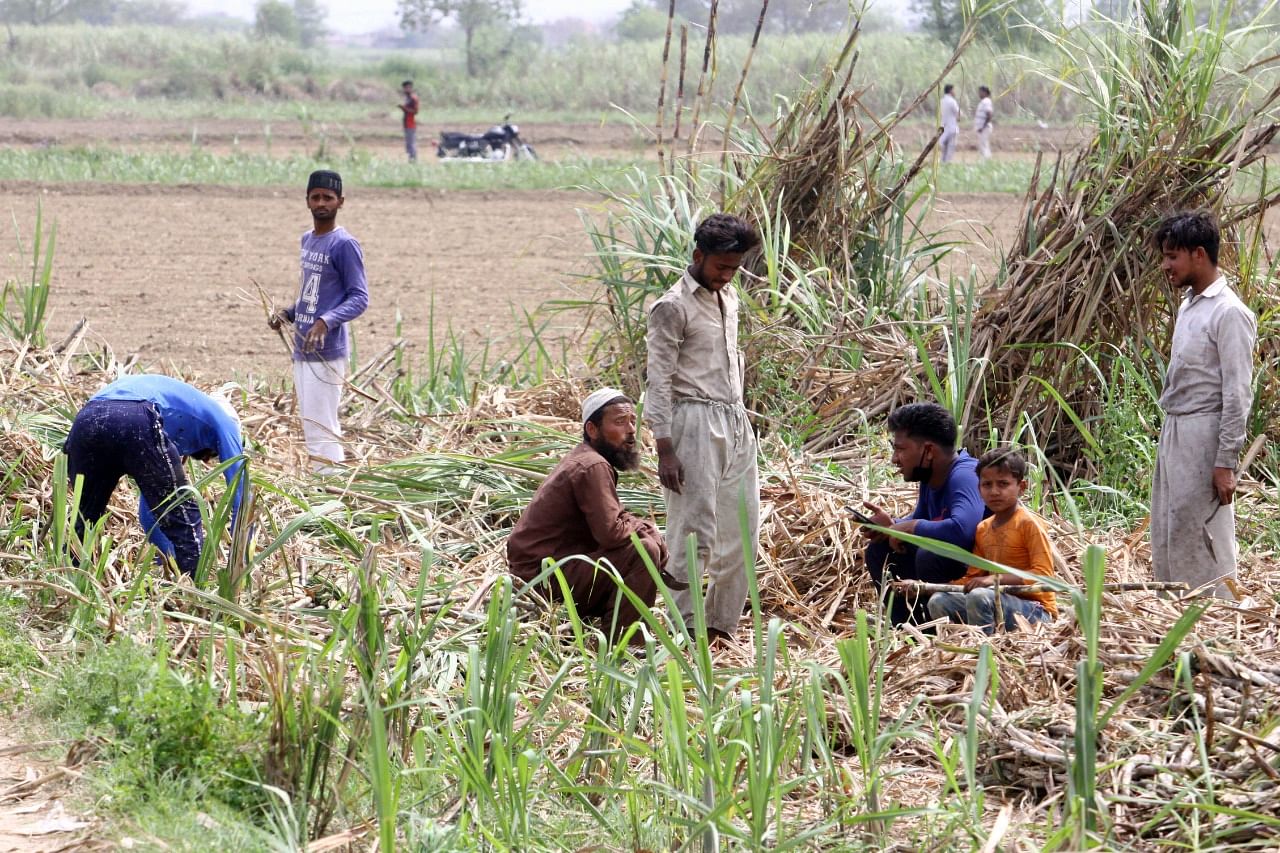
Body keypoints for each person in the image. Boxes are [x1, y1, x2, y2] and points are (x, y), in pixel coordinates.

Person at [646, 213, 761, 645]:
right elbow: (658, 380)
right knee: (693, 532)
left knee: (743, 531)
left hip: (734, 420)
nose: (728, 276)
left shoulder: (728, 299)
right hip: (691, 422)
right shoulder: (671, 307)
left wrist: (741, 420)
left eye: (734, 268)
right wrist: (665, 447)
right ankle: (684, 630)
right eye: (721, 267)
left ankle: (719, 626)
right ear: (698, 256)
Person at [507, 389, 686, 640]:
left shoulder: (588, 459)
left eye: (633, 421)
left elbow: (612, 523)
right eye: (619, 422)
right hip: (542, 579)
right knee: (645, 551)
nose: (632, 430)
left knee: (643, 544)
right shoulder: (593, 465)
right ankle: (624, 643)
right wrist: (648, 531)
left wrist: (642, 528)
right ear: (592, 429)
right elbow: (611, 533)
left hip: (546, 572)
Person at [1151, 211, 1256, 598]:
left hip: (1204, 435)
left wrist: (1225, 461)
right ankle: (1174, 615)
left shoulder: (1229, 313)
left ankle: (1217, 618)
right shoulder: (1190, 306)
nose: (1165, 266)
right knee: (1171, 525)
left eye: (1171, 256)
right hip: (1176, 430)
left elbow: (1237, 394)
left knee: (1203, 530)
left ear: (1199, 254)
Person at [63, 375, 246, 577]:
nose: (208, 459)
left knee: (84, 519)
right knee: (182, 512)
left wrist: (167, 560)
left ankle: (68, 582)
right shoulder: (225, 421)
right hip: (134, 416)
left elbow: (150, 513)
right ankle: (196, 589)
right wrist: (241, 562)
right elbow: (242, 497)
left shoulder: (178, 417)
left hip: (86, 420)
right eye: (214, 453)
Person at [269, 170, 369, 472]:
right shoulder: (308, 240)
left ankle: (331, 488)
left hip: (326, 351)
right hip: (303, 346)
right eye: (316, 197)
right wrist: (288, 313)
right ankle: (321, 481)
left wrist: (326, 322)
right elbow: (314, 294)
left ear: (341, 202)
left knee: (323, 423)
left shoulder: (344, 245)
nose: (322, 202)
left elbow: (359, 297)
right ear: (307, 202)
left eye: (328, 197)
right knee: (310, 422)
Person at [863, 402, 985, 627]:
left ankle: (940, 630)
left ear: (928, 451)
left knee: (930, 554)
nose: (894, 459)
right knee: (879, 550)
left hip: (981, 579)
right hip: (953, 570)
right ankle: (907, 630)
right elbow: (925, 521)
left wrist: (909, 527)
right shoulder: (931, 479)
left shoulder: (964, 476)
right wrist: (891, 526)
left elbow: (962, 530)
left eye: (900, 449)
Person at [927, 449, 1058, 633]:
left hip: (1037, 612)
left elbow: (1042, 575)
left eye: (1003, 484)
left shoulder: (1029, 524)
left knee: (980, 597)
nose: (994, 491)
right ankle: (961, 651)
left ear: (1021, 487)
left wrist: (993, 579)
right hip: (996, 600)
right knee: (939, 601)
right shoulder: (983, 529)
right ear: (979, 488)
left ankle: (986, 651)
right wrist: (927, 587)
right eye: (987, 484)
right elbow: (973, 578)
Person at [399, 80, 420, 163]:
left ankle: (413, 161)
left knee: (411, 144)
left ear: (411, 88)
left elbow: (415, 111)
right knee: (408, 144)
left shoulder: (413, 98)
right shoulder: (408, 98)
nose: (405, 90)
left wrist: (403, 108)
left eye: (407, 88)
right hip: (406, 123)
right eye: (404, 88)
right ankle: (411, 160)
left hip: (410, 124)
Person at [939, 84, 960, 163]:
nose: (955, 92)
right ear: (951, 90)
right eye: (954, 90)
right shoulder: (952, 101)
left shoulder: (942, 101)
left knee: (944, 149)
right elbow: (958, 113)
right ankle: (947, 163)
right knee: (950, 148)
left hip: (944, 127)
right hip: (952, 127)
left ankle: (943, 163)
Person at [973, 85, 994, 159]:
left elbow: (989, 114)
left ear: (985, 93)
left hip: (984, 128)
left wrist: (983, 126)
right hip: (982, 128)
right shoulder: (983, 102)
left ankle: (984, 161)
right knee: (984, 145)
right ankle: (987, 161)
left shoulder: (986, 101)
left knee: (983, 146)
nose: (979, 94)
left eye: (980, 92)